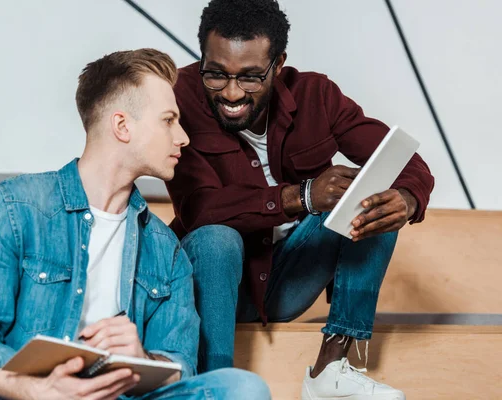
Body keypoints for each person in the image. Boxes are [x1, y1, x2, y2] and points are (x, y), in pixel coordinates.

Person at [0, 48, 271, 400]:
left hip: (117, 395)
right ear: (122, 126)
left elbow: (179, 366)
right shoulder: (11, 210)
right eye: (168, 120)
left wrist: (141, 357)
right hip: (24, 395)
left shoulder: (166, 251)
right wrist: (38, 390)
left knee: (241, 388)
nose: (183, 138)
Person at [165, 1, 435, 399]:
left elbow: (406, 163)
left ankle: (331, 369)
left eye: (252, 77)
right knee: (215, 239)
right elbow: (200, 209)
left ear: (278, 64)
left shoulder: (316, 95)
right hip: (213, 287)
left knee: (372, 200)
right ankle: (216, 385)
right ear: (202, 56)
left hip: (288, 279)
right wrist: (302, 195)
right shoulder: (179, 97)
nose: (232, 92)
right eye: (216, 74)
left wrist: (407, 200)